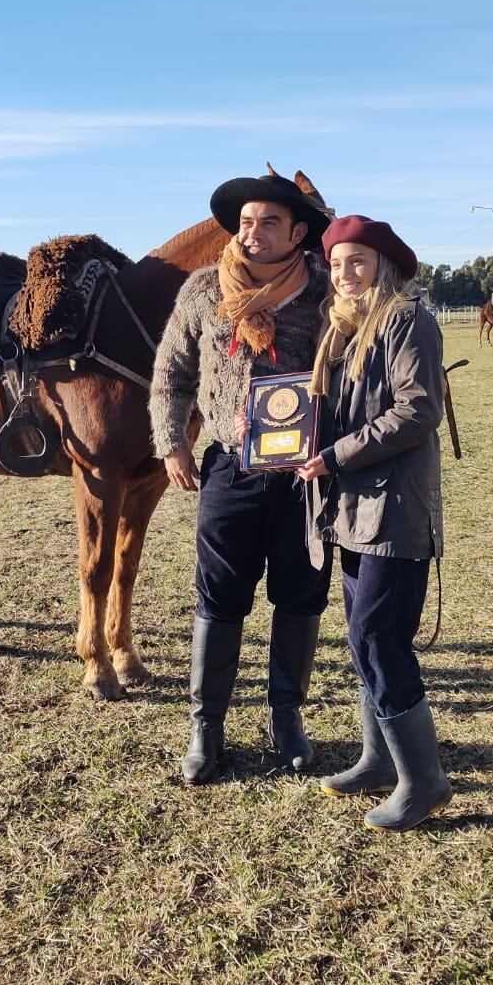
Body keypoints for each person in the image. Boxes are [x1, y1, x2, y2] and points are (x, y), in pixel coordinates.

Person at [149, 170, 333, 785]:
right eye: (247, 222)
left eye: (270, 223)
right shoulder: (204, 291)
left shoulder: (327, 293)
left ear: (298, 232)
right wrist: (173, 443)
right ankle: (207, 727)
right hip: (229, 466)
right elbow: (171, 374)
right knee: (221, 595)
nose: (253, 234)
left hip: (305, 473)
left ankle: (287, 719)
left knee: (301, 593)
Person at [295, 214, 450, 832]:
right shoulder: (340, 333)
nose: (344, 274)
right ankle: (378, 759)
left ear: (383, 266)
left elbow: (417, 410)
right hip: (349, 506)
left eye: (357, 261)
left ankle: (424, 780)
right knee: (364, 637)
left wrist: (332, 456)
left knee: (380, 639)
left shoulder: (408, 320)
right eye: (335, 265)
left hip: (393, 505)